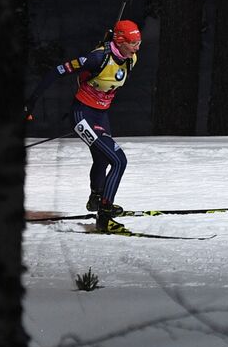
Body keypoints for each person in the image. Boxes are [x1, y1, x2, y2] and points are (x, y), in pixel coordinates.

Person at [27, 19, 142, 233]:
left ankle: (97, 199)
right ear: (120, 40)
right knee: (119, 160)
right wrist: (30, 103)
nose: (137, 47)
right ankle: (105, 217)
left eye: (139, 42)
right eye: (133, 43)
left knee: (102, 158)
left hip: (100, 116)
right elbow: (57, 71)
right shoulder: (97, 57)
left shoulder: (130, 59)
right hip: (82, 115)